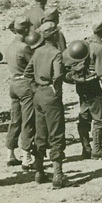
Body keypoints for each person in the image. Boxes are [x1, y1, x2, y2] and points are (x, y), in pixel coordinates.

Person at [28, 21, 68, 188]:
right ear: (54, 35)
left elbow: (27, 72)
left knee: (41, 133)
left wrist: (36, 87)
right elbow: (58, 76)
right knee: (56, 133)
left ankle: (39, 171)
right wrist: (56, 91)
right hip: (51, 96)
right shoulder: (56, 53)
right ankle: (58, 174)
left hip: (38, 94)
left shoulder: (37, 51)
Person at [68, 22, 102, 160]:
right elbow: (100, 72)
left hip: (80, 84)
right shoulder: (98, 47)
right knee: (99, 116)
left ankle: (85, 149)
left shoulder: (84, 42)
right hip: (92, 85)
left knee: (84, 114)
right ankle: (97, 149)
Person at [4, 24, 37, 168]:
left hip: (14, 83)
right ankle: (26, 157)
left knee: (15, 119)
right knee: (28, 120)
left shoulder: (10, 46)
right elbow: (33, 65)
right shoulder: (24, 48)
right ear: (26, 30)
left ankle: (10, 153)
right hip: (25, 84)